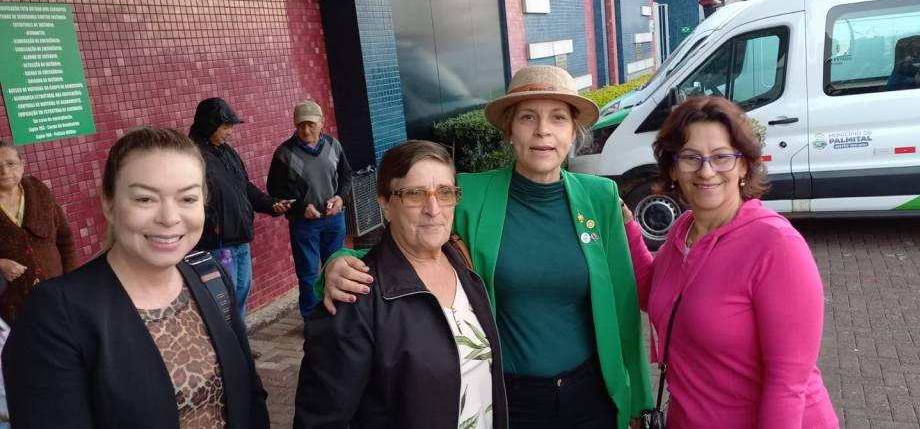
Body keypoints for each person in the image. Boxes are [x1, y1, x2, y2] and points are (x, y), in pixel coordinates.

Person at [320, 65, 653, 428]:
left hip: (591, 396)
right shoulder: (470, 195)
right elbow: (409, 243)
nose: (543, 130)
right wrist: (341, 260)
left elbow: (624, 307)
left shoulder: (600, 197)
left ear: (573, 131)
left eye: (558, 118)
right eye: (528, 117)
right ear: (509, 130)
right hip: (509, 398)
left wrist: (639, 399)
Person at [2, 127, 269, 428]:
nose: (169, 218)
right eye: (145, 199)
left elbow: (249, 394)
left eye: (187, 198)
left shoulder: (208, 275)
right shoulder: (55, 314)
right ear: (109, 204)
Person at [624, 96, 838, 428]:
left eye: (722, 156)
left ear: (743, 166)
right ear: (673, 169)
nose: (706, 170)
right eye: (691, 157)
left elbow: (787, 384)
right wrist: (626, 228)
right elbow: (656, 294)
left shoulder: (775, 245)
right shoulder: (684, 229)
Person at [294, 140, 507, 428]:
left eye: (445, 192)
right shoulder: (354, 298)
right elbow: (320, 420)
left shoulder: (463, 266)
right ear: (385, 203)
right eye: (414, 194)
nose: (433, 209)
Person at [188, 97, 291, 321]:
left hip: (240, 238)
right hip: (217, 244)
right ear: (210, 125)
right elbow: (187, 200)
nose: (230, 132)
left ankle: (239, 338)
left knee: (241, 294)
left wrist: (271, 204)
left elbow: (245, 187)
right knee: (223, 302)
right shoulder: (192, 157)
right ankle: (227, 341)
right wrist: (212, 225)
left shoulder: (227, 152)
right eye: (226, 127)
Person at [267, 100, 353, 318]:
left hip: (334, 219)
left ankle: (337, 314)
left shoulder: (333, 145)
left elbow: (346, 175)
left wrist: (340, 198)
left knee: (336, 267)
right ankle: (312, 319)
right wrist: (300, 208)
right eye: (300, 125)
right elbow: (274, 190)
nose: (306, 130)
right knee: (308, 275)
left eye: (311, 124)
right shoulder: (284, 153)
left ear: (321, 122)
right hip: (304, 224)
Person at [0, 140, 77, 323]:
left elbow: (65, 239)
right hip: (12, 308)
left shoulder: (38, 191)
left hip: (58, 295)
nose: (4, 171)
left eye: (11, 163)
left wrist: (73, 281)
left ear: (22, 165)